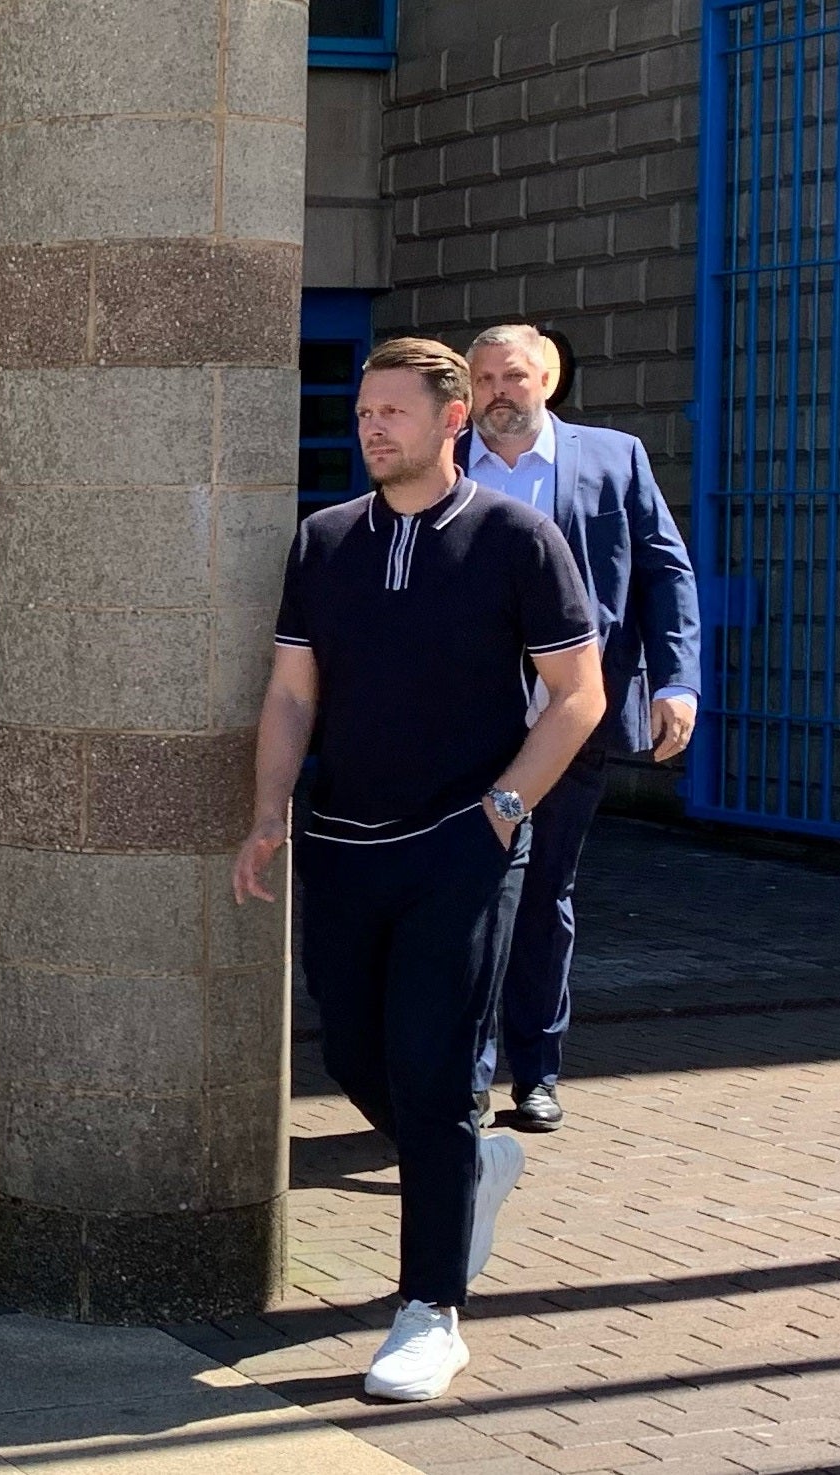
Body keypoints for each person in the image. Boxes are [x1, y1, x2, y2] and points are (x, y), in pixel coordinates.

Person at [234, 337, 606, 1403]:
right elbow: (292, 692)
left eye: (391, 412)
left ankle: (426, 1308)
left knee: (435, 1067)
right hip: (342, 842)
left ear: (450, 421)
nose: (370, 429)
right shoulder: (322, 542)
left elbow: (575, 693)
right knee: (356, 1052)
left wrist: (501, 809)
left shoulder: (516, 540)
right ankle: (464, 1165)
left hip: (460, 843)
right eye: (362, 414)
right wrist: (267, 810)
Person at [461, 324, 701, 1132]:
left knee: (539, 896)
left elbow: (666, 570)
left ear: (547, 379)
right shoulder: (446, 461)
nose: (499, 390)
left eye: (514, 375)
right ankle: (464, 1073)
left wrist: (677, 680)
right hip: (466, 721)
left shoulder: (612, 456)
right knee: (460, 895)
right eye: (484, 376)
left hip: (574, 716)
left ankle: (535, 1073)